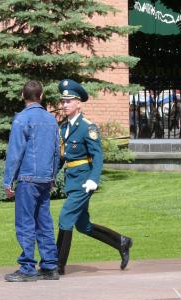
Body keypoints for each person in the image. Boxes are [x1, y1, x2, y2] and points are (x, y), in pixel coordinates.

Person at [56, 79, 133, 275]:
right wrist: (51, 176)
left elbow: (98, 155)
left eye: (68, 101)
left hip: (84, 181)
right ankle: (121, 242)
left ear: (78, 103)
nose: (64, 105)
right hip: (71, 181)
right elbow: (63, 157)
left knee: (65, 217)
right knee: (83, 226)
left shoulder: (87, 127)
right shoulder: (64, 128)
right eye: (62, 101)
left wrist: (93, 179)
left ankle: (57, 265)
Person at [3, 80, 60, 282]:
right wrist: (53, 176)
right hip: (45, 178)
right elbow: (56, 152)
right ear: (41, 96)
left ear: (22, 95)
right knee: (44, 222)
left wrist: (8, 181)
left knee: (25, 222)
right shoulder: (51, 120)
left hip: (27, 178)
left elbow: (15, 153)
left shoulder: (21, 119)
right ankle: (50, 266)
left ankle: (27, 267)